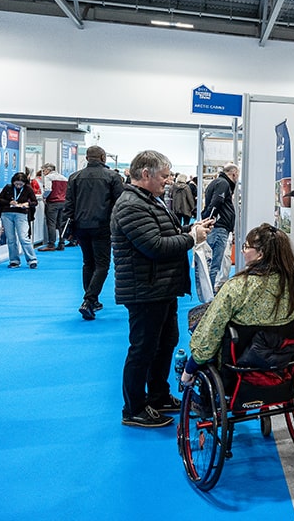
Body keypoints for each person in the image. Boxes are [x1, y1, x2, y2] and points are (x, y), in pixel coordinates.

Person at [112, 150, 213, 428]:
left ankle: (157, 396)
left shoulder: (149, 201)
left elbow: (165, 234)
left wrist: (192, 229)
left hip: (160, 288)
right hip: (145, 290)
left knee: (165, 343)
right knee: (143, 349)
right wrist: (192, 238)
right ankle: (133, 408)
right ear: (146, 175)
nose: (168, 181)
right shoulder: (131, 205)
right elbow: (154, 246)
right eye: (165, 176)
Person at [181, 223, 294, 385]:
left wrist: (190, 367)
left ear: (260, 254)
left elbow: (211, 332)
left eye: (246, 247)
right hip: (285, 360)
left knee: (202, 319)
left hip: (240, 365)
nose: (242, 251)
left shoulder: (237, 287)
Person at [62, 146, 125, 320]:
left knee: (88, 263)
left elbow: (68, 205)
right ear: (103, 157)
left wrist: (67, 229)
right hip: (103, 225)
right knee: (102, 264)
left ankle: (92, 300)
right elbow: (120, 204)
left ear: (87, 158)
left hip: (81, 226)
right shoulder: (113, 177)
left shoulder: (74, 177)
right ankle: (89, 300)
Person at [202, 162, 239, 289]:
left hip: (219, 227)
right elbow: (216, 202)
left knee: (216, 262)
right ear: (234, 173)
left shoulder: (219, 182)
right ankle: (211, 295)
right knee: (215, 265)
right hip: (219, 228)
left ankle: (211, 291)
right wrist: (210, 219)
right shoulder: (223, 183)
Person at [0, 172, 38, 269]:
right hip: (7, 214)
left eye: (20, 184)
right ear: (13, 182)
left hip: (21, 214)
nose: (18, 186)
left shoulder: (28, 189)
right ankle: (14, 261)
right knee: (11, 239)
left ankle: (32, 260)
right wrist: (10, 202)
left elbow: (35, 202)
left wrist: (27, 204)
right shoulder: (8, 187)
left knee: (23, 238)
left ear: (24, 183)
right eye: (16, 184)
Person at [38, 162, 68, 251]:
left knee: (51, 223)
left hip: (52, 202)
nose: (43, 173)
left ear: (48, 170)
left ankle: (51, 244)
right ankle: (62, 243)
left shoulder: (48, 177)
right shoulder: (64, 178)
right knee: (61, 224)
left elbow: (48, 189)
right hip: (63, 202)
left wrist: (44, 197)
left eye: (44, 171)